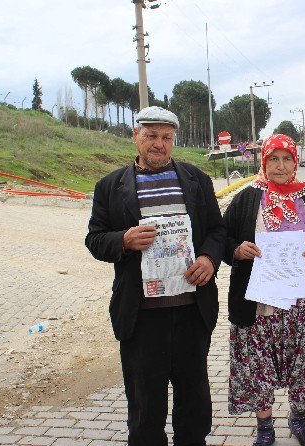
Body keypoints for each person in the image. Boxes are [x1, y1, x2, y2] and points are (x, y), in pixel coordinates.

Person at [85, 106, 225, 446]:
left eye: (166, 137)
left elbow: (217, 231)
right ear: (135, 137)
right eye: (150, 136)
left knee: (194, 402)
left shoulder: (196, 180)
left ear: (173, 140)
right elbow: (95, 239)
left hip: (192, 310)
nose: (158, 144)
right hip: (141, 316)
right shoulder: (109, 186)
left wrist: (208, 258)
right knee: (146, 407)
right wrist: (124, 240)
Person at [223, 134, 305, 446]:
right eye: (273, 159)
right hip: (260, 300)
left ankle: (299, 418)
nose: (280, 165)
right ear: (263, 161)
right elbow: (221, 238)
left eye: (286, 158)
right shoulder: (247, 198)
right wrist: (238, 250)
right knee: (257, 362)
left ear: (295, 161)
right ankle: (265, 426)